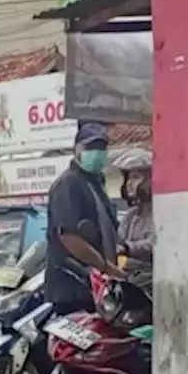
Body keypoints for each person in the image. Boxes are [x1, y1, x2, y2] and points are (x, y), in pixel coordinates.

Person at [45, 122, 124, 315]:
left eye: (101, 148)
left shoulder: (96, 183)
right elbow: (69, 236)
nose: (97, 153)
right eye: (90, 147)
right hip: (73, 287)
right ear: (76, 149)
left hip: (97, 287)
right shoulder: (68, 184)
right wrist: (105, 267)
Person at [114, 147, 154, 265]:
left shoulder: (160, 213)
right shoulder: (130, 216)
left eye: (136, 177)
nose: (129, 183)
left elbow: (156, 245)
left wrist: (128, 248)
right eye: (128, 178)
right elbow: (119, 241)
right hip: (129, 276)